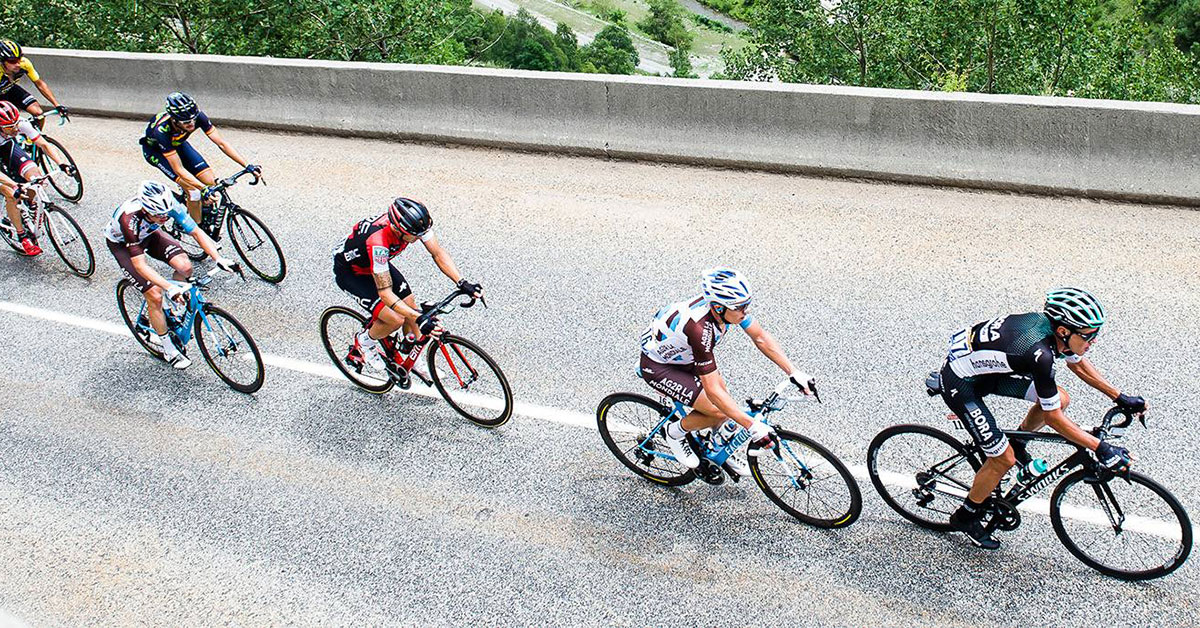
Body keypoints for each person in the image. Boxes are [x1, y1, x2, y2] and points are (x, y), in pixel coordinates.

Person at [940, 287, 1146, 550]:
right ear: (1064, 331)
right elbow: (1054, 420)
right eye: (1088, 335)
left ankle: (1018, 442)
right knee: (1003, 459)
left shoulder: (1054, 331)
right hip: (962, 383)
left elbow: (1078, 363)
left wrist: (1119, 397)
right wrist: (1101, 448)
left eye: (1096, 334)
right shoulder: (1041, 354)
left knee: (1061, 398)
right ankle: (965, 516)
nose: (1093, 341)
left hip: (988, 368)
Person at [638, 267, 815, 477]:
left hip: (685, 355)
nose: (745, 311)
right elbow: (713, 392)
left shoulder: (725, 312)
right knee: (718, 409)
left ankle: (717, 445)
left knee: (725, 399)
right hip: (660, 367)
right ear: (718, 308)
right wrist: (753, 427)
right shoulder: (700, 330)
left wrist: (793, 371)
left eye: (747, 305)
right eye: (740, 307)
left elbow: (760, 337)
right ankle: (675, 433)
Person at [332, 197, 482, 376]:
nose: (420, 238)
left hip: (376, 265)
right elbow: (386, 293)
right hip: (353, 273)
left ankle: (412, 358)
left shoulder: (416, 224)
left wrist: (462, 282)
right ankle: (365, 341)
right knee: (395, 319)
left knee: (410, 304)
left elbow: (437, 253)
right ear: (398, 229)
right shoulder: (378, 242)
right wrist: (419, 318)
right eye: (416, 236)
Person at [105, 180, 236, 369]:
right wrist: (169, 287)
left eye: (166, 214)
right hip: (123, 245)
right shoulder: (129, 219)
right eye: (159, 215)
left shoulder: (169, 206)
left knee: (185, 267)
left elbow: (197, 233)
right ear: (146, 210)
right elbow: (140, 266)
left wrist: (218, 258)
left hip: (149, 235)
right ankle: (168, 349)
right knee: (155, 294)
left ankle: (174, 311)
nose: (164, 218)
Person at [140, 92, 259, 224]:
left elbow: (221, 143)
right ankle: (195, 226)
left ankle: (200, 206)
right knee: (195, 192)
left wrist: (247, 165)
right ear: (174, 120)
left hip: (178, 144)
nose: (191, 124)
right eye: (186, 122)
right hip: (157, 153)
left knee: (211, 182)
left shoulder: (197, 117)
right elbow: (178, 169)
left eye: (193, 119)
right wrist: (202, 189)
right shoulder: (162, 131)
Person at [0, 101, 49, 255]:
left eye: (16, 124)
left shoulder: (18, 124)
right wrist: (14, 185)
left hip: (5, 146)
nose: (15, 129)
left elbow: (43, 144)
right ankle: (23, 238)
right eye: (10, 126)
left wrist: (62, 164)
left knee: (36, 179)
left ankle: (30, 205)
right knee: (11, 193)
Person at [0, 40, 68, 125]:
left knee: (38, 114)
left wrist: (56, 104)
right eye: (12, 61)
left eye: (19, 59)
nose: (17, 64)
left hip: (10, 89)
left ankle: (36, 136)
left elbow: (40, 84)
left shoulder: (24, 64)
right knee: (7, 120)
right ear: (2, 61)